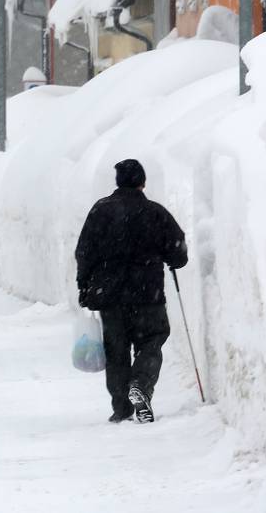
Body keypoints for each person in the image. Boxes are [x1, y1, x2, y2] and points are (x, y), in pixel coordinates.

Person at [75, 159, 188, 424]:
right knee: (152, 340)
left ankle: (122, 408)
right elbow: (178, 250)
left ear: (118, 182)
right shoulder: (155, 212)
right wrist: (172, 257)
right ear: (142, 182)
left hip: (110, 296)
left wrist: (85, 285)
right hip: (148, 294)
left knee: (116, 350)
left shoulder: (100, 211)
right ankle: (140, 385)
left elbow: (84, 252)